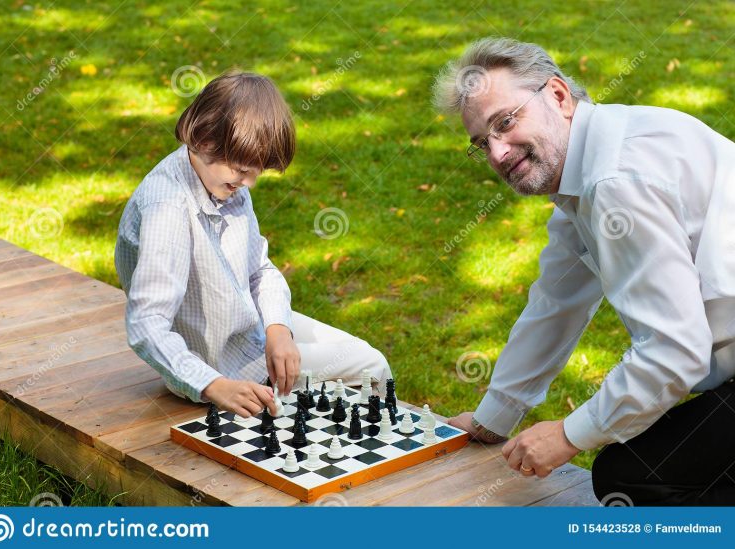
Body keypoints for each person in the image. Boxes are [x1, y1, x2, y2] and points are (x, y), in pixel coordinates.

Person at [433, 37, 735, 505]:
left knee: (633, 479)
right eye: (481, 143)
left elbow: (677, 349)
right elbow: (556, 302)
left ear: (557, 95)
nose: (497, 153)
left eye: (506, 122)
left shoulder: (614, 180)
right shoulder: (589, 170)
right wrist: (494, 418)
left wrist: (569, 435)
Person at [115, 71, 391, 419]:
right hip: (218, 364)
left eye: (256, 172)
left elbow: (259, 268)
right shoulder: (168, 208)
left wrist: (278, 328)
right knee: (372, 366)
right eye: (244, 170)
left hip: (246, 325)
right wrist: (213, 385)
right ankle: (359, 460)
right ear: (202, 139)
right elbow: (147, 323)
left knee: (359, 352)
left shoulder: (220, 177)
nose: (250, 184)